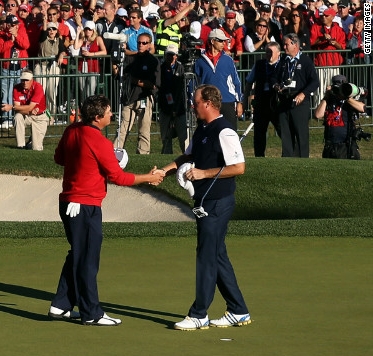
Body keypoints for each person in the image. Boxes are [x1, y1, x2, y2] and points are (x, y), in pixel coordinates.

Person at [50, 94, 164, 326]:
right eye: (109, 112)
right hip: (85, 206)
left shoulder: (71, 130)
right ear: (98, 117)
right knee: (87, 261)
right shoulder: (100, 141)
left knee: (78, 255)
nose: (112, 115)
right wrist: (149, 177)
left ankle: (60, 305)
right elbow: (119, 178)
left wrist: (88, 164)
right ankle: (91, 313)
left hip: (69, 203)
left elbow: (60, 158)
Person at [158, 85, 250, 331]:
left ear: (208, 103)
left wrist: (202, 174)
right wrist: (164, 171)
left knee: (206, 256)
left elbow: (238, 167)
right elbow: (187, 157)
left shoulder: (225, 131)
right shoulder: (202, 129)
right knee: (217, 255)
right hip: (205, 201)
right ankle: (238, 310)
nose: (192, 105)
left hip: (218, 202)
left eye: (196, 101)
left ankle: (199, 314)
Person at [114, 32, 161, 155]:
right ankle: (115, 153)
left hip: (144, 98)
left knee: (144, 130)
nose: (140, 45)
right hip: (129, 98)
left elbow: (154, 84)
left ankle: (143, 155)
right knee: (122, 129)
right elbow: (121, 75)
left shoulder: (153, 61)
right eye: (139, 42)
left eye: (144, 43)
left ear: (149, 45)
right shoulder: (131, 59)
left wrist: (135, 81)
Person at [274, 33, 319, 158]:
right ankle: (287, 159)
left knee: (301, 133)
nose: (284, 47)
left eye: (286, 44)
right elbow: (274, 77)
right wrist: (276, 85)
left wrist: (303, 94)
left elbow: (315, 81)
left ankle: (303, 159)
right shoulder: (283, 60)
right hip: (284, 100)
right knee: (285, 133)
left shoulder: (305, 60)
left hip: (299, 101)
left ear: (295, 44)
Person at [194, 28, 243, 130]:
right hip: (207, 102)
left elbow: (236, 82)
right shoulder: (199, 61)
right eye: (220, 40)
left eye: (224, 41)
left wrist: (239, 102)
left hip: (227, 101)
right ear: (212, 41)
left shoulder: (228, 60)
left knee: (229, 132)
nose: (223, 43)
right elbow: (195, 83)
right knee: (207, 134)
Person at [244, 41, 282, 157]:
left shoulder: (283, 64)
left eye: (271, 52)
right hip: (261, 101)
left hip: (277, 102)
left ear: (278, 53)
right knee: (259, 132)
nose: (268, 54)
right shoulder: (259, 64)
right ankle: (259, 157)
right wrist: (245, 100)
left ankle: (289, 155)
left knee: (282, 129)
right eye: (266, 52)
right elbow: (249, 82)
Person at [314, 75, 365, 159]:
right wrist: (326, 96)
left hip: (347, 144)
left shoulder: (350, 99)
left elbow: (362, 108)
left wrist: (346, 97)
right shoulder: (329, 99)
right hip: (330, 144)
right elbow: (318, 115)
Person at [0, 70, 49, 151]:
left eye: (27, 80)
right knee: (18, 117)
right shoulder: (17, 88)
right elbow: (18, 108)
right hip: (27, 114)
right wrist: (28, 111)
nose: (25, 82)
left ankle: (31, 141)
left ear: (32, 80)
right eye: (23, 80)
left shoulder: (38, 87)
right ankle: (20, 146)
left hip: (40, 117)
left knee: (36, 148)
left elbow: (27, 107)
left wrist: (12, 107)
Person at [157, 43, 187, 154]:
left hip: (180, 108)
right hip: (165, 107)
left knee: (183, 137)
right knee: (165, 136)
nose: (169, 57)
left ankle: (187, 156)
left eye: (172, 54)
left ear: (176, 56)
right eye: (168, 54)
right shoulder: (161, 68)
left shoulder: (181, 68)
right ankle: (166, 156)